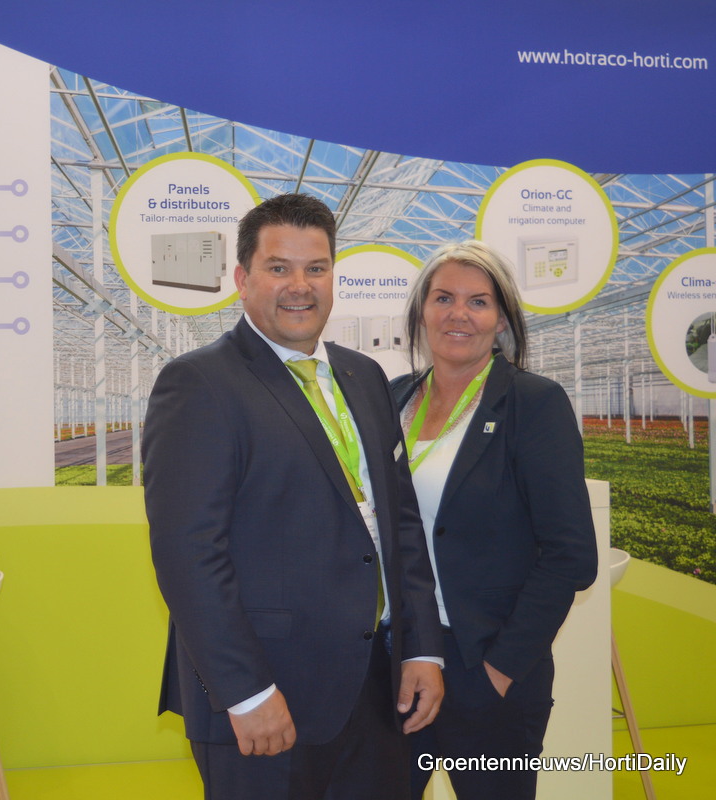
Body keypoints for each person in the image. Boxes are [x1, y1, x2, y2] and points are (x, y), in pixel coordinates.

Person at [144, 193, 445, 799]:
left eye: (316, 268)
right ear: (242, 279)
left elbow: (400, 523)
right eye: (278, 267)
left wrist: (423, 650)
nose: (299, 286)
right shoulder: (200, 383)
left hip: (379, 686)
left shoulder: (364, 377)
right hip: (267, 698)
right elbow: (189, 554)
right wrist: (247, 692)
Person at [390, 240, 598, 799]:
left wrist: (497, 673)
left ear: (501, 319)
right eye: (443, 298)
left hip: (484, 665)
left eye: (478, 301)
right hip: (398, 660)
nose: (458, 314)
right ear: (422, 310)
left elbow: (570, 556)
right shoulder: (393, 400)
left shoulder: (533, 404)